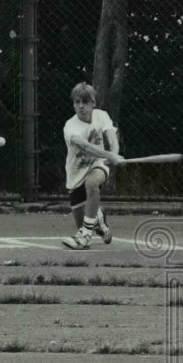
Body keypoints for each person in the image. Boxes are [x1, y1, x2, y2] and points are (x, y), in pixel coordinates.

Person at [61, 82, 122, 250]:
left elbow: (112, 137)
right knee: (81, 219)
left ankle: (85, 235)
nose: (81, 106)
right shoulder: (70, 126)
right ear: (73, 103)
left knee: (93, 183)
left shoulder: (101, 116)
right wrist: (108, 154)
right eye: (77, 102)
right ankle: (99, 220)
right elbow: (87, 147)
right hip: (75, 173)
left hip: (97, 165)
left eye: (85, 102)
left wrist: (114, 152)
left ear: (93, 103)